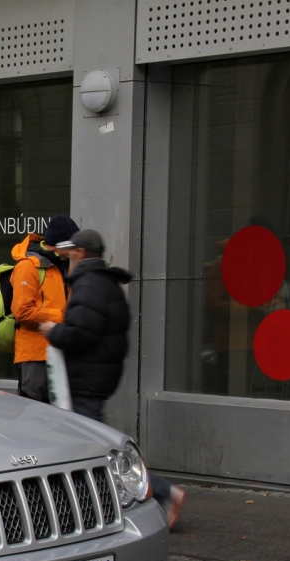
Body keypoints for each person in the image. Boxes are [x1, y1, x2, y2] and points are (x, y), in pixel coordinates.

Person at [38, 228, 186, 528]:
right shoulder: (107, 283)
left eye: (70, 253)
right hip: (98, 375)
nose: (67, 258)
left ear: (80, 253)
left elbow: (81, 332)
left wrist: (54, 332)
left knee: (96, 449)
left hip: (86, 378)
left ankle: (161, 491)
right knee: (89, 444)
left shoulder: (89, 285)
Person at [10, 214, 77, 402]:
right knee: (33, 418)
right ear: (59, 244)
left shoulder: (62, 268)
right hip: (34, 357)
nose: (72, 252)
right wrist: (61, 316)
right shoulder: (28, 267)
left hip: (57, 353)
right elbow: (22, 311)